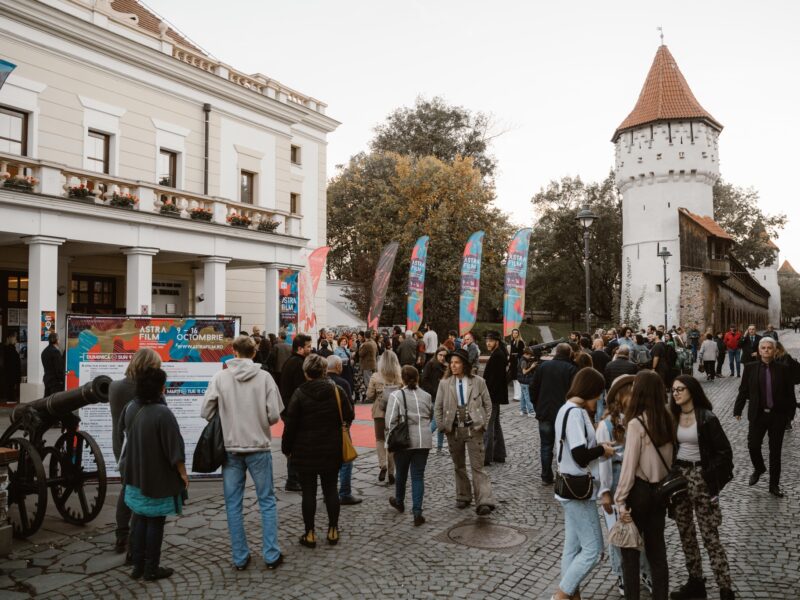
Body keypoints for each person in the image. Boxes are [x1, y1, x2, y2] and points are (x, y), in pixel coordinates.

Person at [201, 335, 284, 570]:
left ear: (234, 352)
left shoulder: (220, 377)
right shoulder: (265, 378)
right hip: (258, 445)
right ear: (254, 353)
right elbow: (275, 415)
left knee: (233, 504)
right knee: (267, 501)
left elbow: (206, 411)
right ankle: (271, 554)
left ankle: (240, 557)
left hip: (230, 447)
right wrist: (260, 419)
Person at [551, 368, 615, 600]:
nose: (599, 399)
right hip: (578, 489)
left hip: (568, 487)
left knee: (572, 547)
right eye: (598, 393)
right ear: (590, 390)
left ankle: (571, 595)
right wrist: (603, 450)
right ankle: (561, 595)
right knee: (593, 550)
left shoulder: (565, 409)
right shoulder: (576, 413)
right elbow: (579, 454)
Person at [669, 375, 735, 600]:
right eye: (674, 390)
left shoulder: (707, 417)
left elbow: (724, 453)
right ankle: (696, 582)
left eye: (680, 389)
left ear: (692, 391)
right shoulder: (673, 417)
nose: (676, 393)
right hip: (680, 478)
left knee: (709, 534)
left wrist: (707, 477)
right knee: (685, 533)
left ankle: (725, 587)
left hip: (700, 476)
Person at [120, 367, 187, 581]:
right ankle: (151, 568)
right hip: (156, 477)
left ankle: (137, 566)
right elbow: (175, 451)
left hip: (135, 473)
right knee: (155, 522)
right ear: (160, 388)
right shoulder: (163, 413)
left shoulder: (131, 408)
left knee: (139, 519)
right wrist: (184, 475)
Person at [282, 353, 354, 548]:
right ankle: (332, 529)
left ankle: (310, 533)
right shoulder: (336, 390)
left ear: (306, 372)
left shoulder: (299, 393)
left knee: (309, 493)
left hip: (305, 449)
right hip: (331, 447)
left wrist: (286, 448)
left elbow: (291, 424)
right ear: (324, 371)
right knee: (331, 489)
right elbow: (349, 414)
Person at [615, 370, 675, 600]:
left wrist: (620, 501)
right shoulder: (668, 418)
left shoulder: (636, 423)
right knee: (657, 552)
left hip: (638, 493)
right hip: (660, 492)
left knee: (629, 554)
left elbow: (629, 467)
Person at [597, 374, 652, 597]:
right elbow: (604, 461)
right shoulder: (607, 424)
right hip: (616, 481)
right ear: (621, 394)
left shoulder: (641, 418)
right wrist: (605, 492)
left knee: (642, 533)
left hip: (639, 482)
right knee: (619, 532)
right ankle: (621, 574)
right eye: (632, 391)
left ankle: (645, 571)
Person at [109, 348, 162, 557]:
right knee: (141, 495)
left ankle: (121, 534)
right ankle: (136, 545)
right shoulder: (144, 391)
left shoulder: (114, 387)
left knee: (126, 490)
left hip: (120, 447)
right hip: (143, 447)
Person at [435, 348, 496, 514]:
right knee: (459, 465)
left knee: (478, 466)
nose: (453, 366)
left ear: (465, 365)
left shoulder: (478, 382)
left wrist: (483, 423)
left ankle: (484, 501)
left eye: (457, 362)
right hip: (453, 429)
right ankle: (463, 496)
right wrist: (442, 426)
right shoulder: (444, 383)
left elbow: (488, 405)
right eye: (451, 363)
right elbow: (438, 407)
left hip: (474, 428)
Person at [734, 337, 797, 497]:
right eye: (764, 348)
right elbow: (743, 390)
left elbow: (790, 392)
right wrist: (738, 409)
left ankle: (774, 485)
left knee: (775, 452)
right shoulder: (750, 368)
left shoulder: (783, 369)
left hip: (778, 415)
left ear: (775, 350)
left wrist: (790, 414)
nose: (767, 350)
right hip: (758, 414)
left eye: (770, 348)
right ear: (759, 350)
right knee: (753, 445)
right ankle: (759, 468)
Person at [386, 365, 433, 526]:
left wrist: (389, 441)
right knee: (418, 476)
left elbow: (390, 420)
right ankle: (417, 512)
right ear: (417, 378)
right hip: (424, 440)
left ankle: (399, 500)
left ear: (402, 379)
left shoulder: (396, 395)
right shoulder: (426, 396)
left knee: (401, 472)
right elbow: (430, 414)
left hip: (404, 441)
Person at [530, 343, 578, 484]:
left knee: (546, 445)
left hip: (545, 412)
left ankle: (546, 476)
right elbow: (575, 392)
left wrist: (537, 405)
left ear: (556, 352)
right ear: (569, 353)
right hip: (564, 414)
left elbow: (533, 388)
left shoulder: (543, 366)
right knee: (565, 445)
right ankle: (564, 473)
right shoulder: (571, 369)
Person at [279, 334, 313, 492]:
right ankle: (293, 479)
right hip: (293, 410)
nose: (310, 348)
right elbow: (301, 390)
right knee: (296, 445)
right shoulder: (298, 364)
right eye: (308, 346)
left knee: (295, 443)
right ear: (300, 348)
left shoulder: (292, 362)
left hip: (289, 408)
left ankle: (295, 478)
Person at [327, 355, 362, 506]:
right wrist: (347, 425)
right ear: (339, 367)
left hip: (324, 428)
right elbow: (350, 409)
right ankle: (344, 493)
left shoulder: (320, 383)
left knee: (327, 461)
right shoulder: (343, 383)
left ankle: (328, 492)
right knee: (346, 459)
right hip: (341, 427)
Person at [367, 350, 402, 484]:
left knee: (380, 439)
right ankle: (392, 471)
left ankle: (383, 465)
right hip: (395, 412)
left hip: (379, 412)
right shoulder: (399, 376)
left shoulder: (376, 376)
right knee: (392, 440)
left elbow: (369, 395)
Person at [482, 331, 508, 466]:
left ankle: (486, 456)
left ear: (497, 342)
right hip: (495, 396)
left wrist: (485, 395)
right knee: (495, 425)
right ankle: (499, 454)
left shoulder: (498, 355)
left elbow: (494, 380)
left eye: (490, 340)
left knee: (489, 425)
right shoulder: (499, 354)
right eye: (487, 340)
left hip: (492, 396)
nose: (488, 343)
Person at [421, 346, 448, 451]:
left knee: (440, 421)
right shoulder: (431, 364)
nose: (442, 357)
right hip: (433, 396)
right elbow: (424, 379)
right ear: (436, 355)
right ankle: (422, 439)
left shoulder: (446, 366)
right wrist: (433, 391)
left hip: (444, 397)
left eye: (444, 356)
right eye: (440, 355)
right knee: (436, 421)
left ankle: (440, 446)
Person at [2, 332, 21, 403]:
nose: (16, 340)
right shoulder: (10, 349)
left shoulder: (9, 348)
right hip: (11, 372)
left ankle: (10, 399)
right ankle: (10, 399)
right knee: (11, 386)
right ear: (11, 338)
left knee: (11, 386)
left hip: (10, 371)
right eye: (15, 338)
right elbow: (13, 362)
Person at [518, 347, 536, 416]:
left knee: (523, 396)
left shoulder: (523, 359)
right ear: (526, 354)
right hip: (525, 381)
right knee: (527, 396)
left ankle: (523, 410)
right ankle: (531, 411)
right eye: (530, 355)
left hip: (522, 380)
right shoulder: (524, 361)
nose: (530, 357)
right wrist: (532, 367)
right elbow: (524, 372)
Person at [508, 328, 525, 401]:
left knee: (517, 379)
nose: (514, 334)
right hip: (512, 362)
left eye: (516, 333)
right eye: (513, 333)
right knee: (514, 379)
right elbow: (511, 352)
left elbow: (522, 353)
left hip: (517, 362)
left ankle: (518, 396)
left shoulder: (520, 342)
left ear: (518, 334)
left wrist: (516, 355)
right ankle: (516, 395)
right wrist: (509, 361)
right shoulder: (512, 341)